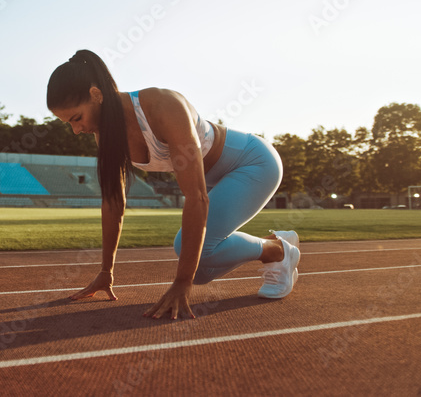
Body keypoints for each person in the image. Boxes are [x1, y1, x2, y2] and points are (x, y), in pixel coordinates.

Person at [46, 50, 300, 320]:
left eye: (76, 118)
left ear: (96, 95)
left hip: (252, 163)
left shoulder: (161, 106)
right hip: (215, 179)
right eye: (67, 124)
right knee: (200, 271)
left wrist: (181, 284)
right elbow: (113, 203)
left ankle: (278, 251)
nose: (76, 130)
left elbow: (197, 198)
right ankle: (273, 246)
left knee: (187, 253)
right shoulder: (106, 137)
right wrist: (106, 272)